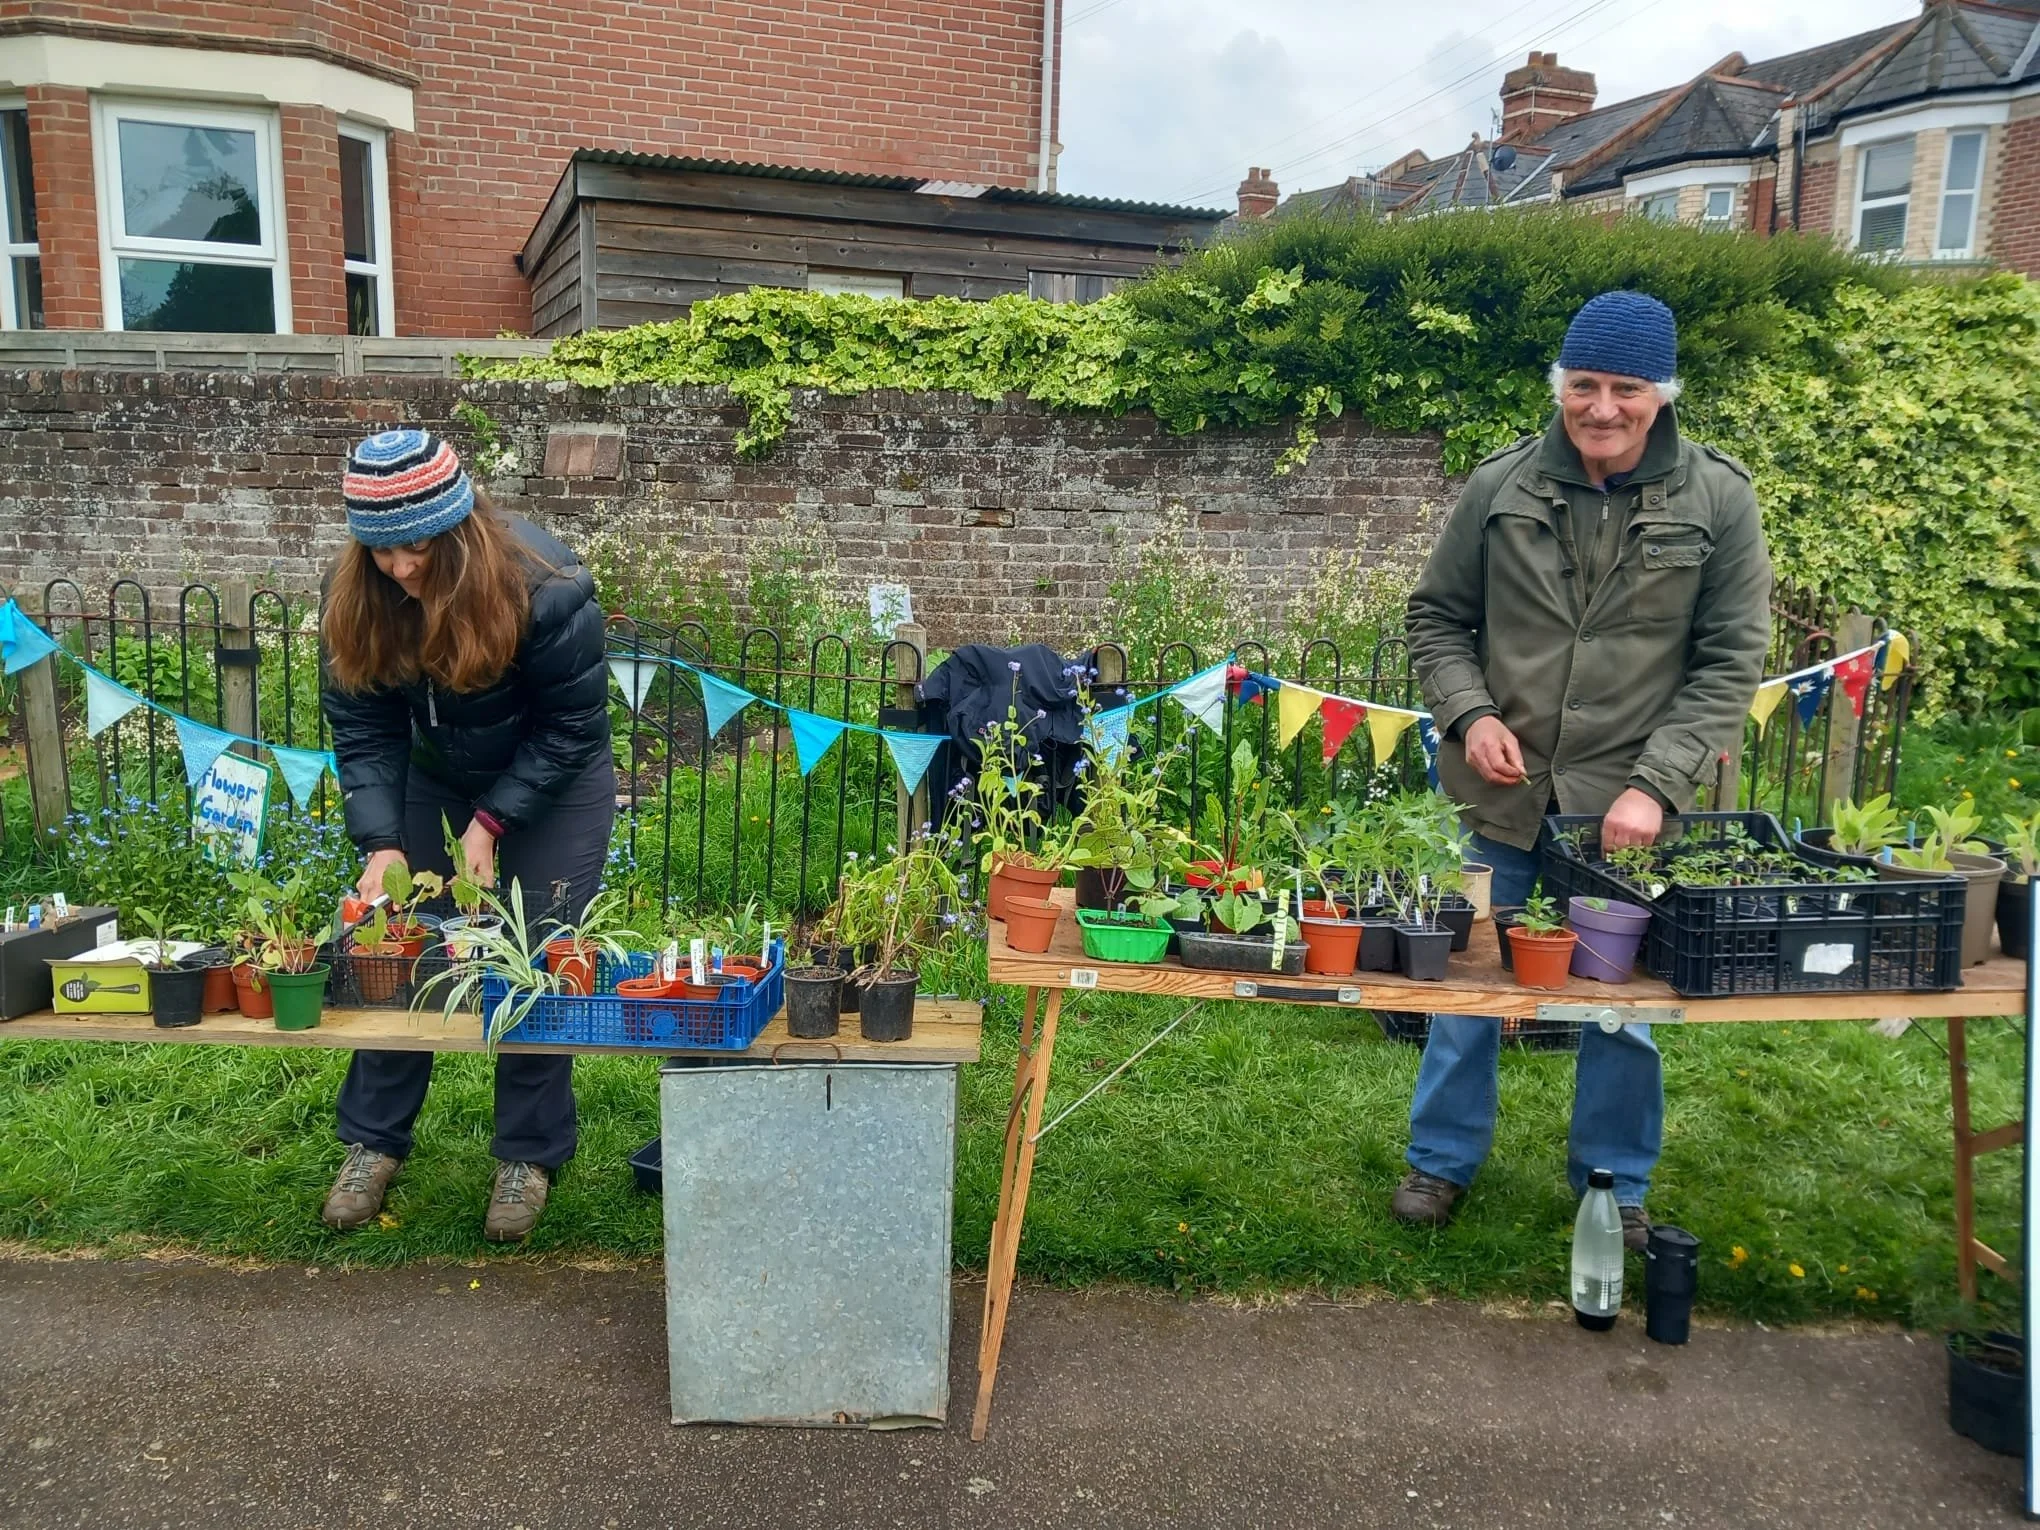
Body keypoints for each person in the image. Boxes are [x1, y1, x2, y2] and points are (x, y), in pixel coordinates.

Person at [1395, 291, 1772, 1250]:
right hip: (1503, 793)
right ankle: (1440, 1163)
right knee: (1470, 985)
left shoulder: (1718, 500)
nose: (1603, 409)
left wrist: (1659, 783)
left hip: (1628, 807)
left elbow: (1730, 659)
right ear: (1560, 386)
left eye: (1627, 389)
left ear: (1662, 393)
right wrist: (1470, 715)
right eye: (1586, 386)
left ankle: (1614, 1181)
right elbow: (1436, 619)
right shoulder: (1502, 487)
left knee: (1621, 1005)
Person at [319, 429, 612, 1243]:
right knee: (398, 943)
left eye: (417, 549)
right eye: (381, 553)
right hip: (434, 772)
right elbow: (363, 725)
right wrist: (383, 842)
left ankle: (528, 1155)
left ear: (458, 529)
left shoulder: (548, 588)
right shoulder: (358, 596)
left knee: (536, 951)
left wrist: (492, 822)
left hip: (554, 779)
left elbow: (570, 728)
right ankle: (373, 1144)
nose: (402, 569)